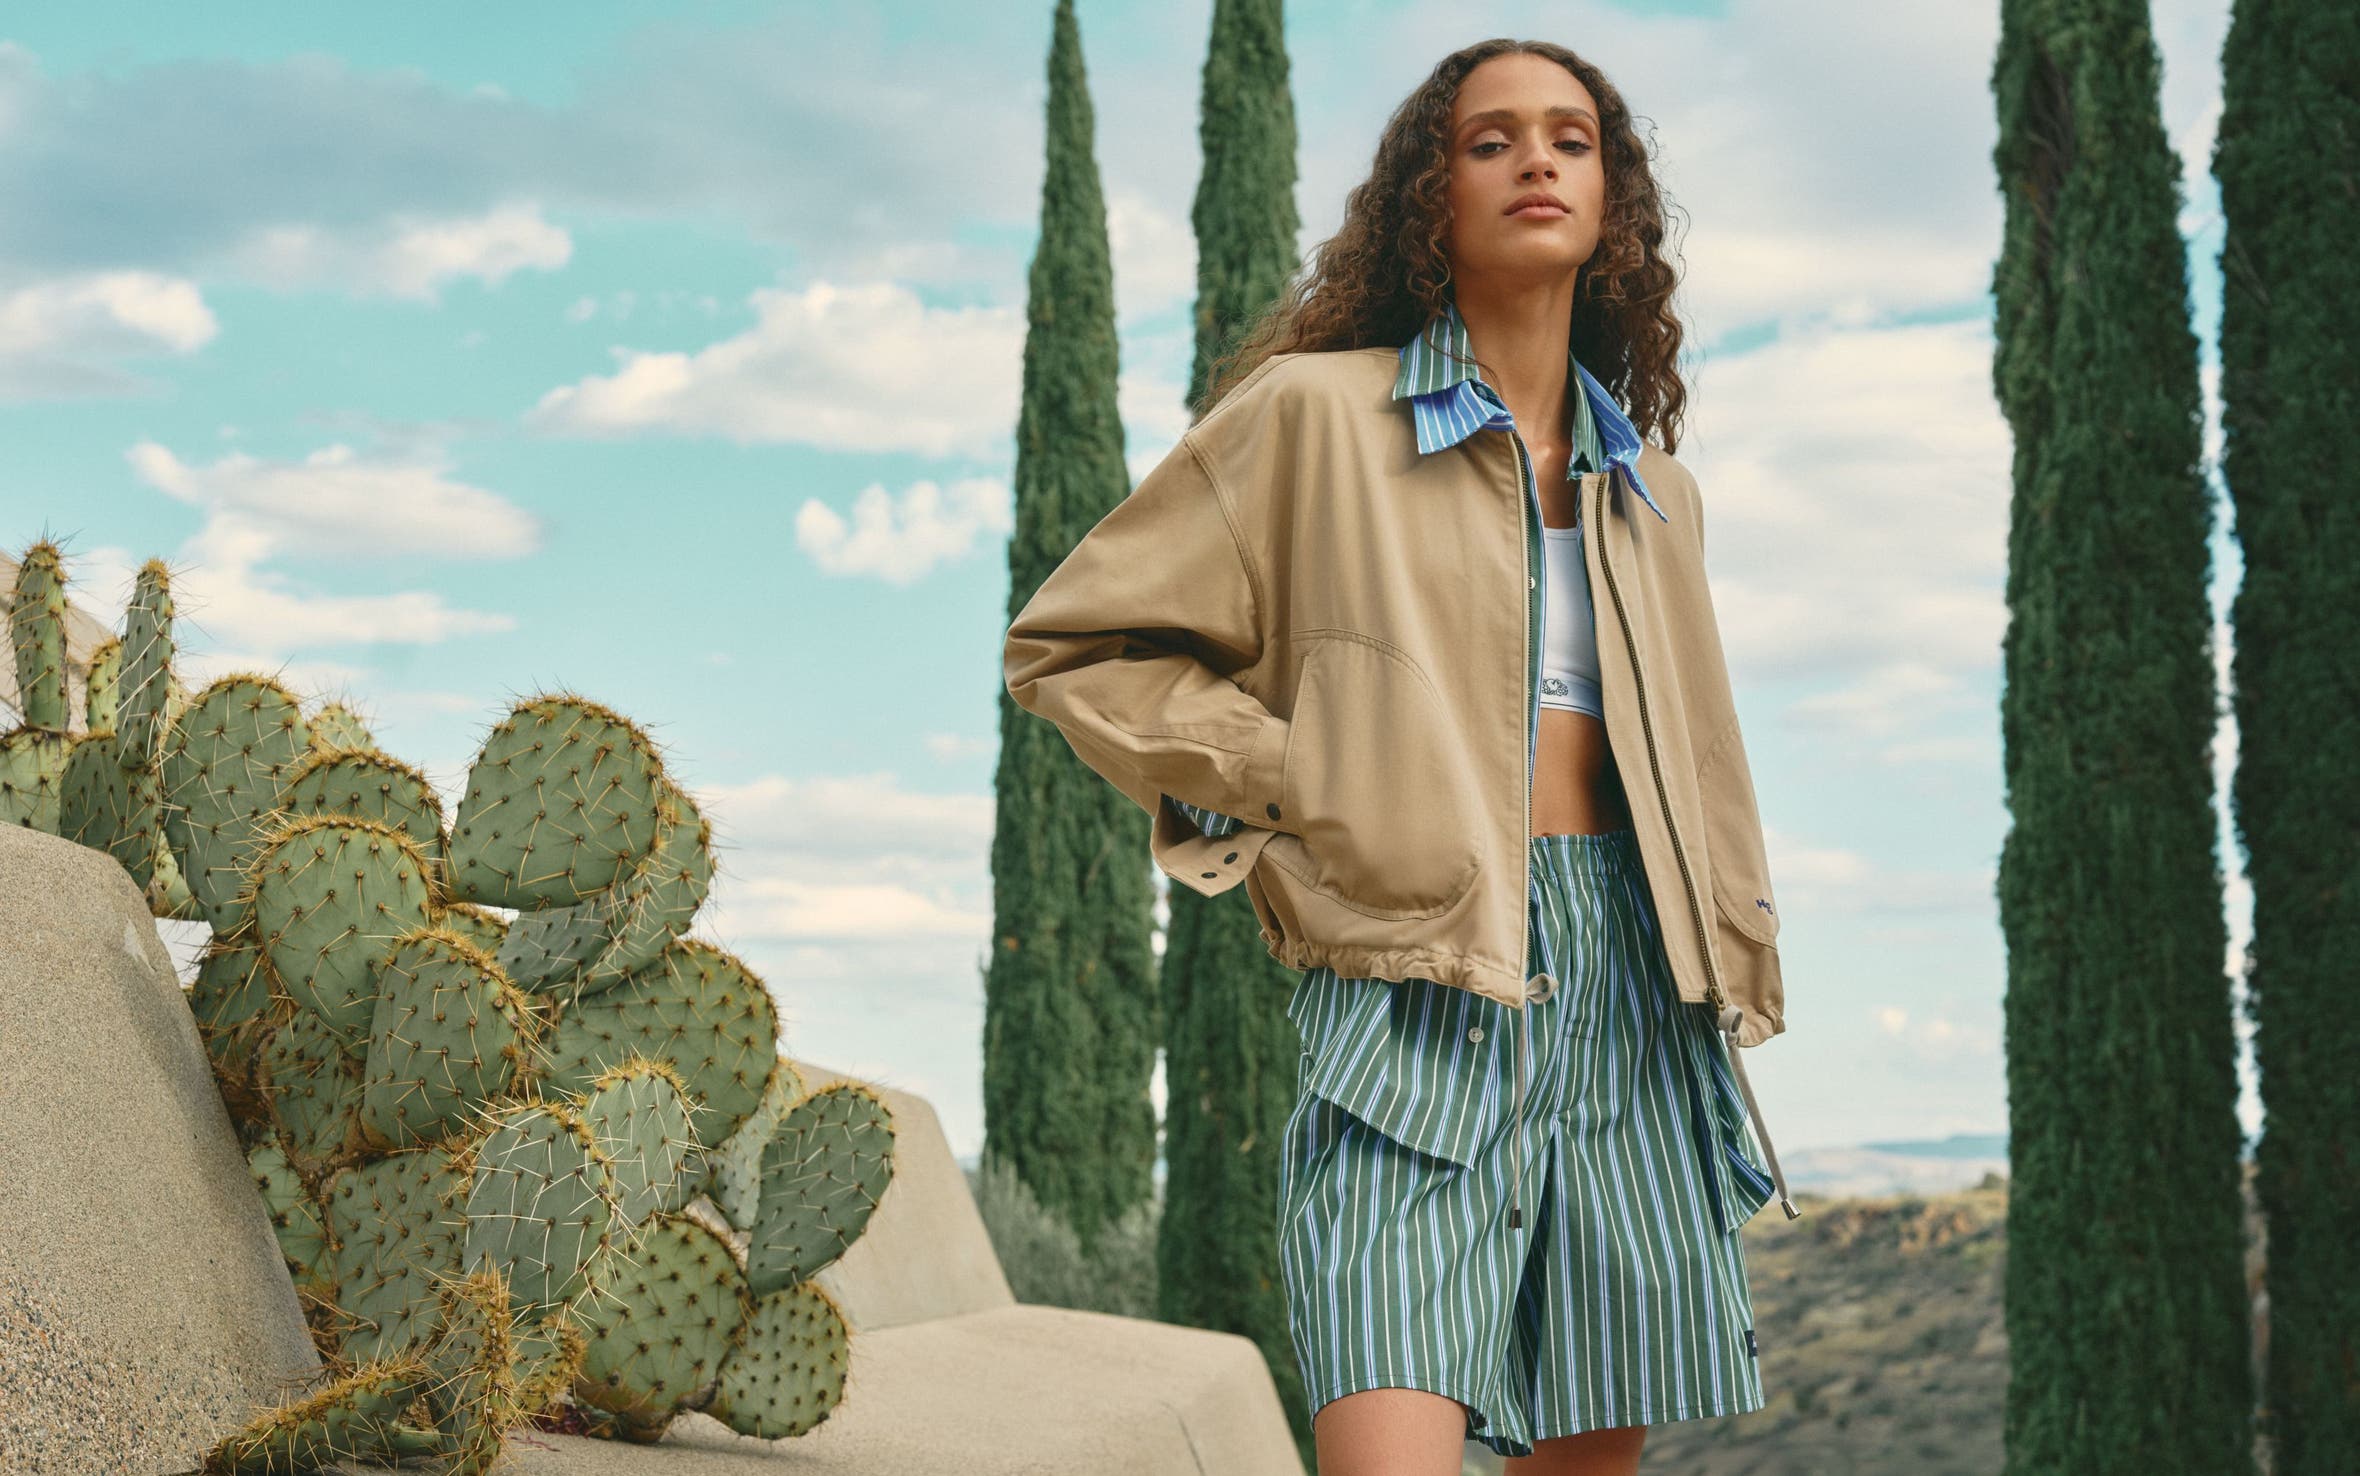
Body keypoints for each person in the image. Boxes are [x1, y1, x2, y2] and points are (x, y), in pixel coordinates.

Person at [1004, 37, 1797, 1476]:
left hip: (1634, 984)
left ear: (1615, 201)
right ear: (1427, 198)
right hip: (1416, 978)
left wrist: (1735, 945)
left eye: (1572, 137)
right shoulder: (1312, 419)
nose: (1537, 160)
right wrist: (1304, 775)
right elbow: (1072, 648)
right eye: (1490, 140)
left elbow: (1701, 762)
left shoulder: (1655, 493)